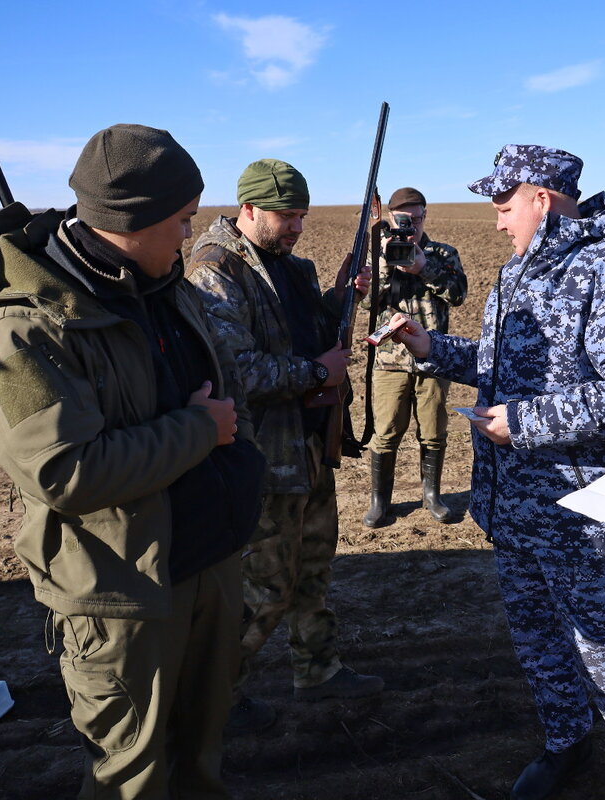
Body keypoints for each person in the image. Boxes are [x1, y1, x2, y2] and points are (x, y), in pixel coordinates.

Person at [0, 124, 266, 798]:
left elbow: (227, 391)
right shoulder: (26, 331)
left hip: (206, 566)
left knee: (200, 757)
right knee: (134, 778)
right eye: (182, 221)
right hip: (124, 597)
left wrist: (237, 467)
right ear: (133, 222)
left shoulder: (164, 285)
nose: (190, 236)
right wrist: (198, 431)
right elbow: (67, 472)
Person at [392, 145, 605, 800]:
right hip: (517, 506)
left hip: (588, 508)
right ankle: (567, 740)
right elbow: (505, 366)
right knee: (535, 634)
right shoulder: (520, 271)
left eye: (504, 207)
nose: (498, 222)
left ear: (539, 197)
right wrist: (432, 349)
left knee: (604, 647)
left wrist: (525, 422)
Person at [187, 158, 383, 732]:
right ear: (248, 209)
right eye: (286, 215)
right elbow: (237, 371)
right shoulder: (215, 270)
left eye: (301, 214)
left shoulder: (290, 267)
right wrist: (317, 375)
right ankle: (215, 698)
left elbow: (305, 331)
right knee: (263, 587)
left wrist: (339, 296)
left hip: (307, 450)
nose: (297, 226)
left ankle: (318, 669)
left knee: (314, 570)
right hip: (263, 459)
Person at [361, 186, 467, 527]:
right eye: (404, 218)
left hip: (435, 358)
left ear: (424, 216)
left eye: (417, 217)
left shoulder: (443, 253)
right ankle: (380, 502)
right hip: (391, 361)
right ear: (392, 218)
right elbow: (365, 305)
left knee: (433, 430)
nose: (411, 225)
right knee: (387, 431)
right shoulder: (378, 255)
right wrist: (383, 262)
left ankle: (432, 496)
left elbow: (459, 294)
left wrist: (424, 266)